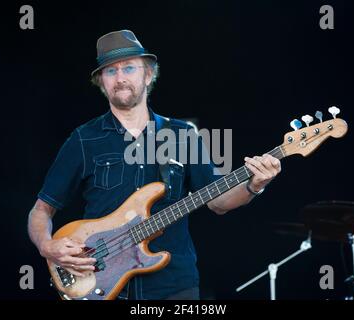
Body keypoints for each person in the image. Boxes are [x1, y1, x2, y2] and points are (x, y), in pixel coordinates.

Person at [27, 30, 282, 300]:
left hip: (173, 286)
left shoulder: (182, 135)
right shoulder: (83, 138)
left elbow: (218, 202)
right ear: (101, 81)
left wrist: (255, 185)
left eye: (128, 68)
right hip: (101, 281)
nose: (121, 78)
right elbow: (41, 211)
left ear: (148, 75)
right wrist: (47, 246)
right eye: (111, 71)